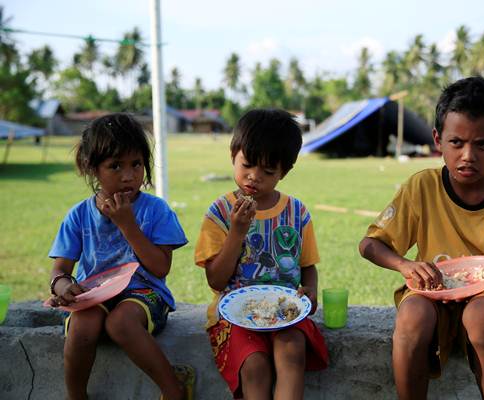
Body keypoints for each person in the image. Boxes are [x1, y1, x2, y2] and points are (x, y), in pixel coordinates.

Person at [359, 77, 484, 400]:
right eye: (457, 142)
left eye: (483, 144)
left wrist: (474, 288)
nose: (468, 156)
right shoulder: (422, 188)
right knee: (411, 318)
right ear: (438, 140)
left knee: (482, 317)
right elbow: (369, 245)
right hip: (430, 292)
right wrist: (406, 265)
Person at [48, 113, 194, 400]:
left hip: (145, 294)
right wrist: (63, 286)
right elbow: (60, 269)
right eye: (115, 166)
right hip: (94, 296)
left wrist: (128, 224)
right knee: (82, 324)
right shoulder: (79, 215)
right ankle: (76, 395)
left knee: (120, 323)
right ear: (93, 169)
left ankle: (173, 389)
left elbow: (160, 267)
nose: (128, 176)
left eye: (136, 164)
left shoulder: (156, 210)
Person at [194, 109, 329, 400]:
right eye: (247, 165)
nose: (254, 177)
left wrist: (311, 292)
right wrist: (237, 233)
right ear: (233, 154)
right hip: (235, 314)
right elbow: (217, 280)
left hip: (285, 310)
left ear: (284, 172)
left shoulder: (297, 213)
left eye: (268, 172)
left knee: (292, 351)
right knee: (255, 366)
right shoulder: (219, 212)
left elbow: (308, 266)